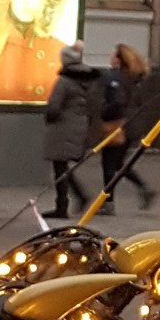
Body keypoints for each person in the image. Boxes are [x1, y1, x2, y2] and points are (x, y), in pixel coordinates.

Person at [42, 42, 104, 218]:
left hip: (63, 127)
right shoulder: (90, 81)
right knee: (63, 167)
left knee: (60, 168)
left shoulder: (64, 81)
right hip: (81, 125)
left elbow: (54, 106)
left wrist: (49, 117)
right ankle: (72, 200)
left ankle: (63, 206)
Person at [98, 44, 151, 210]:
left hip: (117, 125)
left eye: (113, 56)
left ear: (119, 60)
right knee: (118, 164)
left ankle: (108, 201)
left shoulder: (116, 78)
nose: (110, 58)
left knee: (109, 163)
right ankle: (143, 188)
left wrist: (104, 113)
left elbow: (117, 102)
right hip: (130, 125)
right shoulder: (133, 78)